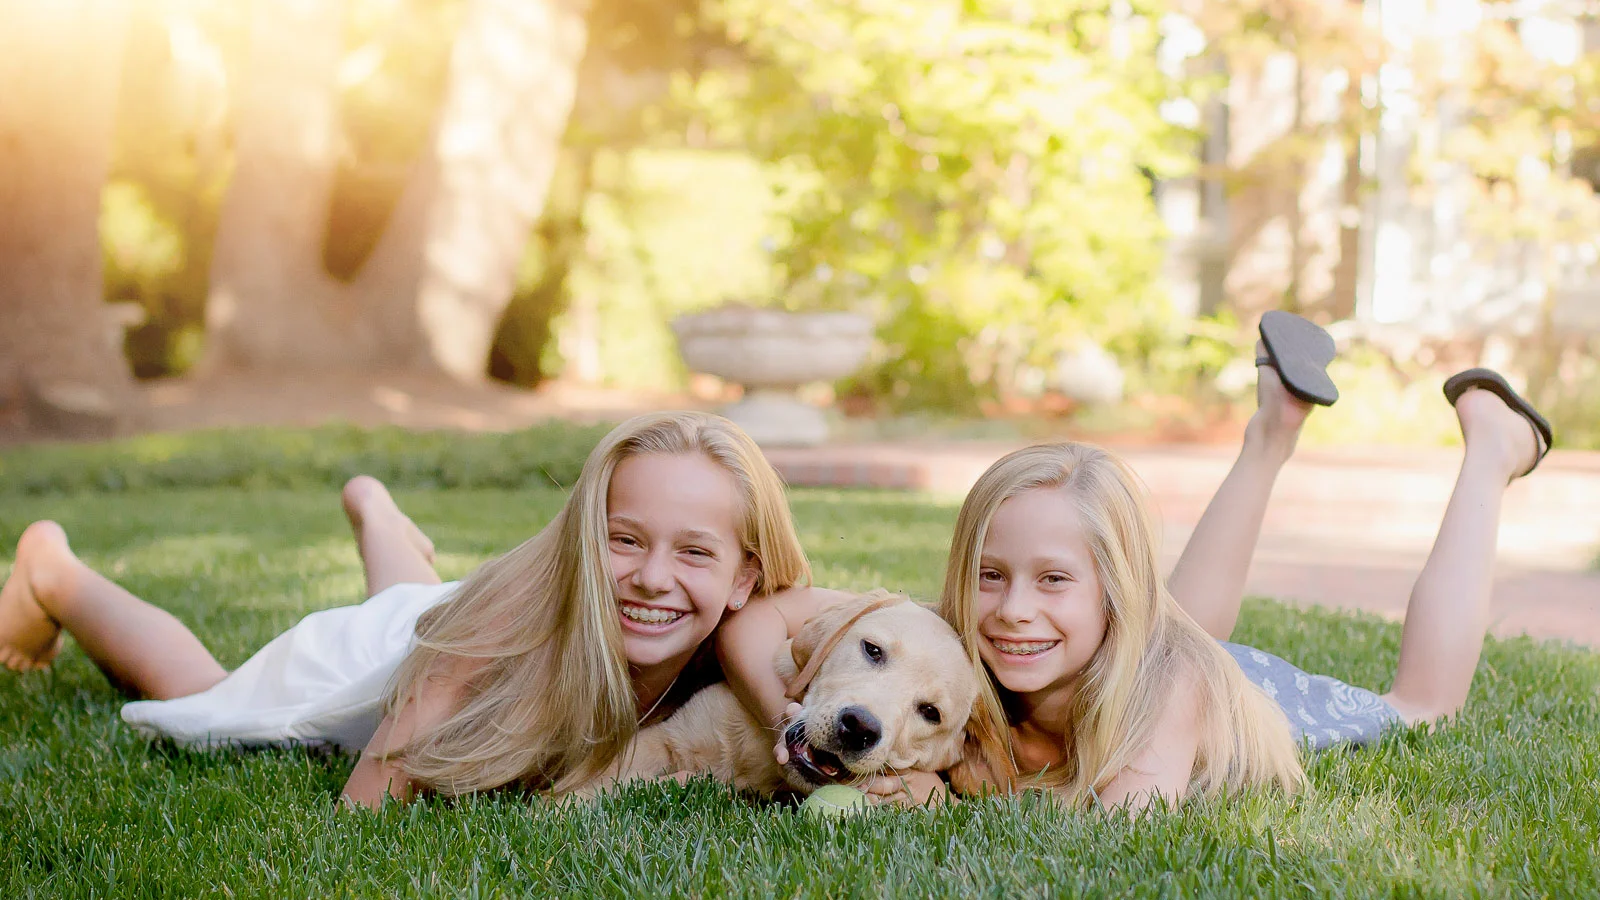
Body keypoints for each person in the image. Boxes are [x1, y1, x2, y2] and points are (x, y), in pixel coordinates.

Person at [0, 411, 810, 808]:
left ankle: (379, 516)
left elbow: (887, 651)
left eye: (695, 553)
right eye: (623, 539)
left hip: (445, 615)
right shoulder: (507, 621)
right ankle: (54, 572)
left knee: (413, 604)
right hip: (401, 659)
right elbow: (369, 800)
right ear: (580, 539)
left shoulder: (761, 620)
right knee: (207, 693)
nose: (652, 578)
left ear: (747, 576)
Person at [938, 364, 1550, 807]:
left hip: (1249, 700)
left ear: (1116, 592)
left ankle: (1496, 445)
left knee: (1421, 707)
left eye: (1052, 579)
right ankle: (1275, 421)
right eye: (990, 575)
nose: (1014, 609)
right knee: (1180, 627)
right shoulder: (944, 649)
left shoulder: (1173, 686)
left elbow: (1121, 828)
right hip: (1153, 649)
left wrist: (960, 794)